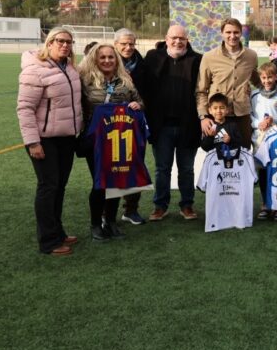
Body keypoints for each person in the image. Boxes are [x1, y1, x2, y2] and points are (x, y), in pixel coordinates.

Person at [17, 27, 83, 255]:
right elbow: (25, 108)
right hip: (44, 140)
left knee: (59, 187)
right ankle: (48, 241)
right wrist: (33, 142)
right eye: (60, 41)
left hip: (66, 138)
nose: (65, 45)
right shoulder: (35, 69)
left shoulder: (70, 68)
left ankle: (58, 232)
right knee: (48, 187)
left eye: (69, 42)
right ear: (49, 42)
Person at [79, 43, 144, 241]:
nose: (107, 60)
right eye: (103, 57)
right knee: (100, 183)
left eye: (111, 57)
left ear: (116, 59)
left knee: (116, 181)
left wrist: (137, 105)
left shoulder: (125, 80)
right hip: (96, 139)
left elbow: (140, 102)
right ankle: (96, 224)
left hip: (119, 139)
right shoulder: (85, 80)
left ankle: (111, 222)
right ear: (95, 59)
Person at [144, 25, 203, 222]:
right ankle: (160, 205)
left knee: (186, 168)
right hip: (161, 127)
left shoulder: (197, 60)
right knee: (162, 168)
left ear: (187, 40)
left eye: (182, 38)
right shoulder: (153, 58)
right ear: (166, 39)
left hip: (189, 125)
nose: (178, 42)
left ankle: (187, 204)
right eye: (174, 38)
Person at [197, 18, 261, 148]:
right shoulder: (209, 57)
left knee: (243, 153)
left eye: (236, 32)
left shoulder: (251, 56)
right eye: (228, 32)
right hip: (217, 116)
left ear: (241, 33)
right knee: (217, 155)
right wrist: (203, 116)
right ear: (222, 34)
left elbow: (258, 81)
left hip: (242, 115)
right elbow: (201, 90)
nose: (232, 36)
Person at [113, 28, 148, 225]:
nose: (128, 48)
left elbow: (148, 95)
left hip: (135, 125)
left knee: (135, 165)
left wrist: (141, 105)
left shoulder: (142, 65)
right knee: (112, 167)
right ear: (115, 44)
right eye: (123, 44)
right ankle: (107, 212)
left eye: (131, 44)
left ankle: (131, 209)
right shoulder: (105, 62)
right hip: (109, 126)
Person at [250, 62, 277, 220]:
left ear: (276, 77)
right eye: (263, 78)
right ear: (260, 78)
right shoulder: (254, 95)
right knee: (263, 172)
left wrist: (275, 122)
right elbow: (249, 116)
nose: (267, 81)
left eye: (270, 77)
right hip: (259, 139)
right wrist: (259, 124)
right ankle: (265, 204)